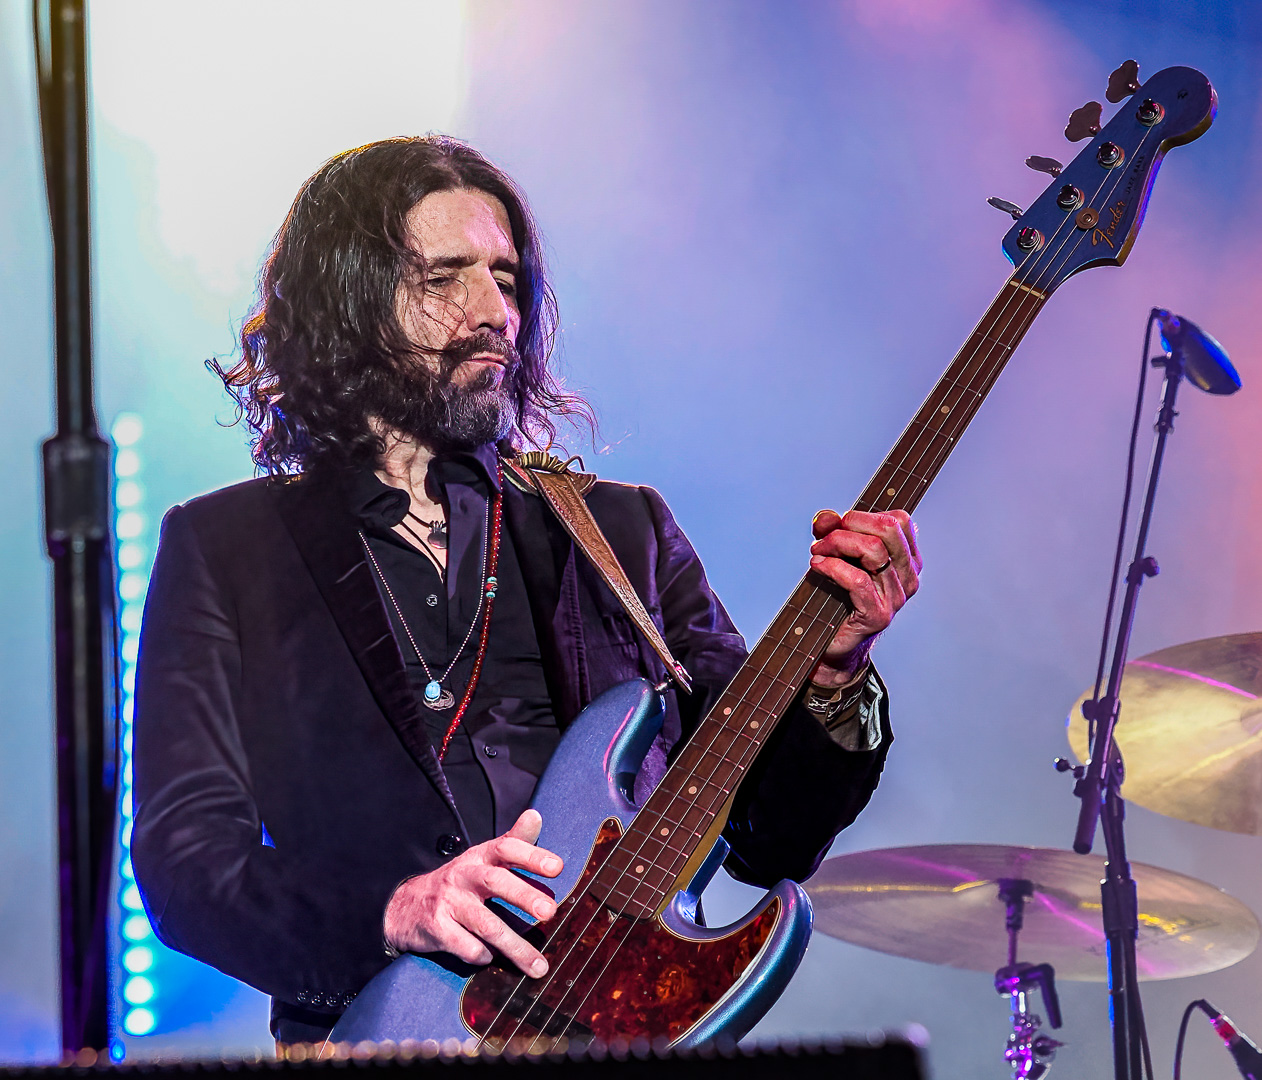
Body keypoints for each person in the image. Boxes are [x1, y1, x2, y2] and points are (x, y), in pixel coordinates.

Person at [131, 136, 922, 1045]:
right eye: (445, 278)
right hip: (377, 1035)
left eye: (506, 280)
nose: (495, 313)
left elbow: (771, 835)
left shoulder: (622, 532)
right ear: (348, 304)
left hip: (618, 1032)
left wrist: (832, 681)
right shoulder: (227, 547)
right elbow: (187, 864)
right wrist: (395, 909)